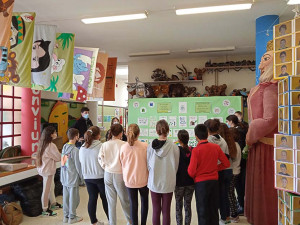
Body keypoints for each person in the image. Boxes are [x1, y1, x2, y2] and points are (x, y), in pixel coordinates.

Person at [245, 50, 278, 225]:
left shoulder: (272, 88)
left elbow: (269, 120)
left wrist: (250, 136)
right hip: (260, 144)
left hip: (267, 147)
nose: (261, 64)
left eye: (266, 59)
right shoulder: (264, 87)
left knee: (266, 191)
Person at [188, 124, 230, 225]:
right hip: (214, 181)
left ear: (196, 136)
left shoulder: (196, 150)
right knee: (213, 209)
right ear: (207, 134)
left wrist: (198, 174)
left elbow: (191, 171)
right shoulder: (215, 147)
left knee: (203, 211)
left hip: (201, 183)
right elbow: (226, 163)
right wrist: (215, 169)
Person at [147, 120, 180, 225]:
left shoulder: (151, 146)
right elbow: (176, 165)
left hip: (154, 182)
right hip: (168, 182)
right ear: (168, 131)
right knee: (166, 211)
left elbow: (148, 164)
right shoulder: (174, 146)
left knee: (156, 211)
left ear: (156, 131)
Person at [98, 124, 131, 225]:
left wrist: (105, 167)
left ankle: (112, 223)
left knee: (110, 202)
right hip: (119, 175)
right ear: (121, 133)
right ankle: (130, 221)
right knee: (125, 200)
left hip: (108, 174)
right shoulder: (124, 144)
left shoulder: (105, 144)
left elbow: (100, 158)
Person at [204, 119, 232, 225]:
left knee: (216, 196)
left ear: (208, 129)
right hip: (224, 170)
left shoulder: (209, 140)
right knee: (224, 194)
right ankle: (226, 217)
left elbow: (209, 157)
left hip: (216, 171)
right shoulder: (222, 139)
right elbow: (227, 156)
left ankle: (219, 218)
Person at [79, 126, 109, 225]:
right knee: (105, 199)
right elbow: (105, 161)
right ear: (98, 135)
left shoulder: (82, 148)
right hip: (100, 177)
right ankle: (111, 220)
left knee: (92, 198)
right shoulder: (101, 146)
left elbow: (81, 162)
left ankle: (94, 222)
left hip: (87, 178)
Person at [120, 124, 149, 225]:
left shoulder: (123, 147)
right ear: (139, 134)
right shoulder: (145, 146)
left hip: (129, 180)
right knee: (145, 203)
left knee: (133, 204)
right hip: (143, 179)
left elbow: (122, 163)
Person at [36, 126, 62, 216]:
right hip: (48, 171)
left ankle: (53, 203)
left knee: (51, 187)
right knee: (46, 190)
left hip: (44, 169)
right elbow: (58, 158)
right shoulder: (51, 146)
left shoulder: (42, 143)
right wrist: (66, 156)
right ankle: (45, 209)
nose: (56, 134)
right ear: (51, 135)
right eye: (55, 132)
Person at [60, 128, 83, 224]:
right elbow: (78, 166)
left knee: (66, 197)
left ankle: (66, 216)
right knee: (74, 198)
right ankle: (72, 217)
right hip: (72, 177)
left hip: (64, 176)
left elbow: (63, 163)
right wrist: (82, 178)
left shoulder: (65, 147)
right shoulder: (75, 150)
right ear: (76, 136)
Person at [227, 114, 247, 216]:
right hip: (238, 168)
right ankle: (239, 207)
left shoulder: (235, 145)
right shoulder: (237, 144)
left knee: (233, 191)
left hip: (235, 170)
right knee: (236, 190)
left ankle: (236, 211)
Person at [174, 130, 194, 225]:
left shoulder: (176, 150)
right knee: (188, 205)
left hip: (179, 182)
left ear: (179, 139)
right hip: (190, 182)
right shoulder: (192, 149)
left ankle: (179, 223)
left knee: (178, 205)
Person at [228, 128, 242, 223]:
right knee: (231, 193)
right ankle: (234, 213)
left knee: (230, 194)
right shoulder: (236, 145)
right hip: (235, 171)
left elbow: (231, 160)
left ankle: (234, 214)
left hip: (233, 171)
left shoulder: (234, 146)